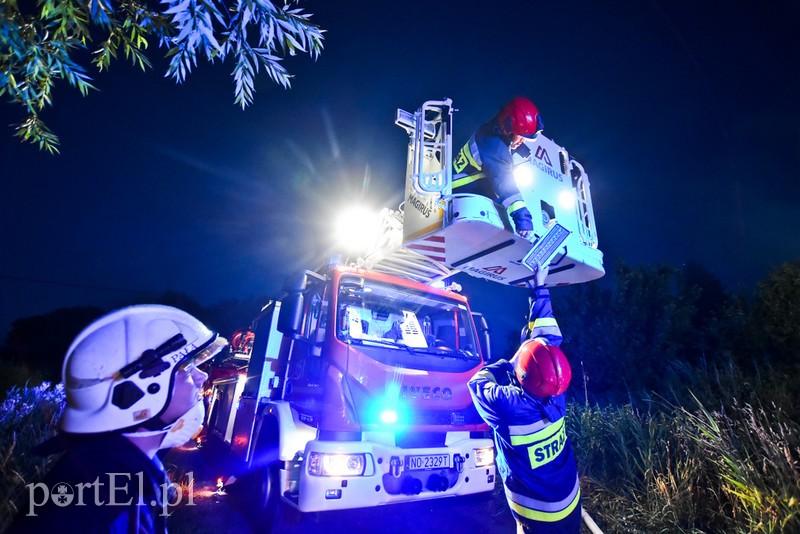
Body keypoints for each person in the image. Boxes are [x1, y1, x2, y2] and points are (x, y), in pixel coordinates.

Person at [10, 304, 227, 533]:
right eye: (186, 367)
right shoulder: (105, 496)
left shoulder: (115, 467)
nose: (202, 376)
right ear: (141, 389)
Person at [468, 265, 582, 533]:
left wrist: (508, 364)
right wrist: (539, 287)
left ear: (522, 376)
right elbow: (547, 339)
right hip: (569, 497)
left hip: (536, 514)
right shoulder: (557, 389)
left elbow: (477, 383)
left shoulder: (509, 405)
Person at [452, 96, 544, 239]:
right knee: (505, 187)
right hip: (463, 189)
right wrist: (523, 221)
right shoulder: (496, 150)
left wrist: (518, 147)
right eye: (521, 136)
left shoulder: (491, 129)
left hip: (460, 181)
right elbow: (505, 185)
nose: (523, 140)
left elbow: (501, 144)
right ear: (509, 129)